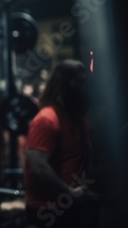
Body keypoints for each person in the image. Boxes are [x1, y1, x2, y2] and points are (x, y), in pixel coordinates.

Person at [24, 59, 99, 228]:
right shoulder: (47, 119)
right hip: (47, 211)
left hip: (74, 207)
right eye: (78, 83)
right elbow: (38, 166)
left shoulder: (78, 119)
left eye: (84, 83)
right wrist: (70, 192)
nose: (83, 88)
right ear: (64, 85)